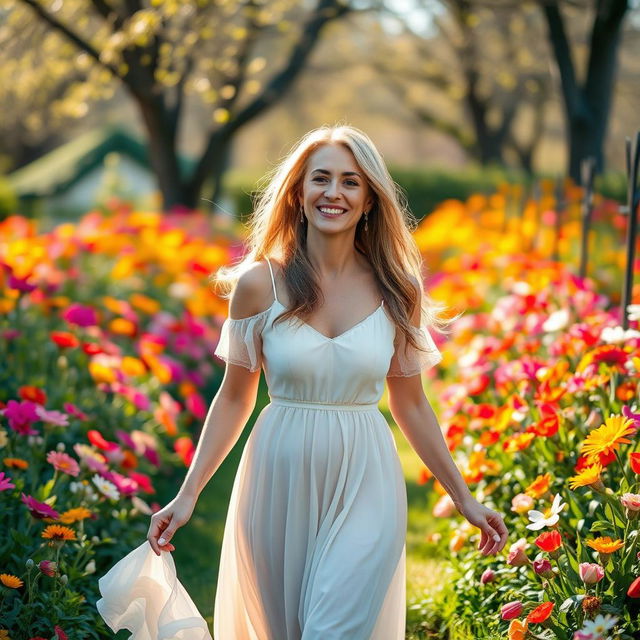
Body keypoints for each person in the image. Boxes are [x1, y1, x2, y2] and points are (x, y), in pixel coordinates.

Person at [96, 124, 509, 639]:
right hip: (276, 477)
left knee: (332, 630)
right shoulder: (257, 285)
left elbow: (413, 405)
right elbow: (234, 398)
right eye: (321, 178)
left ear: (370, 201)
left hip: (367, 478)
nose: (333, 192)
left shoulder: (397, 290)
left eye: (350, 182)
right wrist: (187, 496)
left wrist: (465, 499)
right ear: (298, 192)